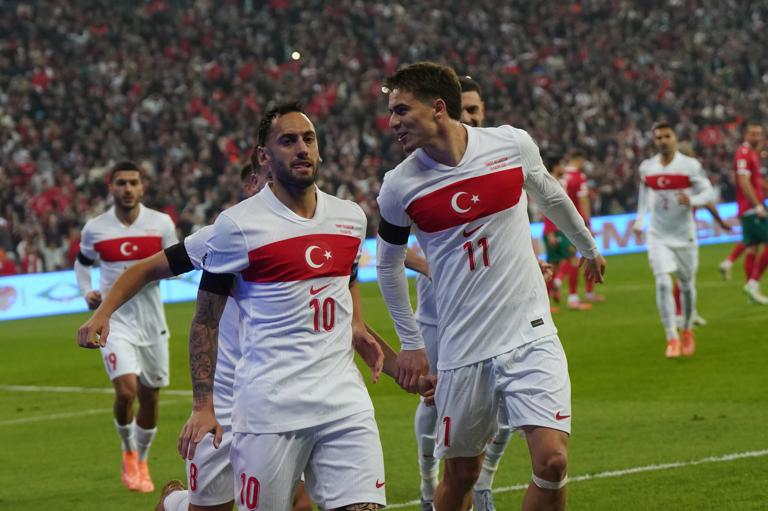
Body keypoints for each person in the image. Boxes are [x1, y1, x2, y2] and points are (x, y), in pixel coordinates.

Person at [376, 62, 605, 511]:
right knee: (461, 474)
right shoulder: (399, 186)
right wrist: (411, 343)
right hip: (464, 347)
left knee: (553, 461)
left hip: (529, 331)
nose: (393, 122)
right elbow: (387, 267)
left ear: (438, 107)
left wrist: (587, 246)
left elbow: (551, 194)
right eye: (391, 112)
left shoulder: (510, 144)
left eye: (402, 110)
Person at [179, 103, 387, 511]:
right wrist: (203, 406)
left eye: (308, 139)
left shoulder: (350, 218)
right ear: (264, 157)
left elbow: (346, 276)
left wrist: (357, 324)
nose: (301, 148)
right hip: (269, 410)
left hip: (344, 403)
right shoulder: (237, 226)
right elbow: (205, 320)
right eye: (287, 141)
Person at [78, 162, 313, 511]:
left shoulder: (309, 233)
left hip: (282, 396)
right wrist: (102, 311)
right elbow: (146, 268)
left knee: (300, 502)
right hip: (227, 399)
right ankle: (172, 501)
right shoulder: (224, 235)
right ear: (254, 183)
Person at [74, 160, 178, 492]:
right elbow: (82, 263)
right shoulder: (95, 228)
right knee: (126, 391)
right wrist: (86, 292)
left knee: (150, 398)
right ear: (111, 187)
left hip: (152, 325)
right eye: (121, 183)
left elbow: (175, 263)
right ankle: (128, 450)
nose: (128, 189)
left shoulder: (160, 224)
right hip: (114, 322)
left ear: (142, 187)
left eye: (133, 182)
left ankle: (142, 460)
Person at [633, 123, 715, 357]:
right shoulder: (647, 168)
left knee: (687, 286)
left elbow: (708, 192)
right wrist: (640, 221)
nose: (663, 140)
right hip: (658, 235)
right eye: (659, 137)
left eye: (667, 136)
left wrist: (694, 201)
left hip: (684, 235)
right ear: (654, 141)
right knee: (662, 282)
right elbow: (644, 195)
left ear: (675, 138)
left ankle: (687, 329)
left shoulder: (690, 166)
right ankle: (671, 336)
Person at [732, 121, 768, 304]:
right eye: (753, 133)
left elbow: (754, 181)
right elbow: (743, 181)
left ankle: (751, 295)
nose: (757, 137)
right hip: (751, 208)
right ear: (746, 135)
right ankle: (753, 284)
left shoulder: (752, 154)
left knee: (752, 247)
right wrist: (758, 205)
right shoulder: (744, 153)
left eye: (759, 134)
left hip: (752, 207)